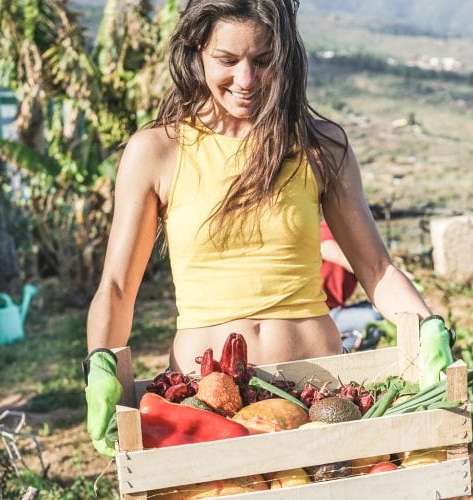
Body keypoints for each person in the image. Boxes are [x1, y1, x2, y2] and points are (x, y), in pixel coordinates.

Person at [83, 0, 452, 457]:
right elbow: (118, 287)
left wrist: (428, 327)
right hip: (205, 406)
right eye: (227, 60)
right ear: (197, 52)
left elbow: (376, 268)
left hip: (321, 398)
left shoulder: (321, 147)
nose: (246, 80)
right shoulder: (157, 151)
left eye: (263, 60)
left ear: (286, 56)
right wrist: (100, 363)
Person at [319, 220, 382, 351]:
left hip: (337, 311)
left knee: (381, 312)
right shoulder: (332, 225)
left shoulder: (362, 248)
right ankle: (347, 353)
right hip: (319, 316)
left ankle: (348, 346)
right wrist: (363, 268)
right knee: (372, 320)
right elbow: (326, 247)